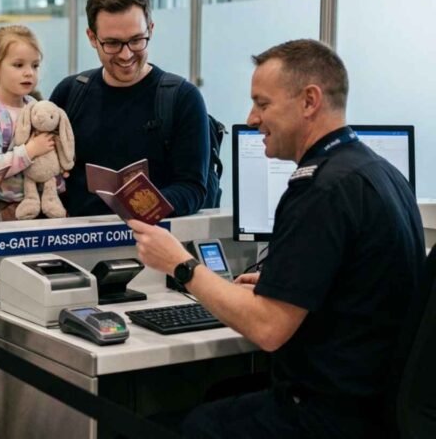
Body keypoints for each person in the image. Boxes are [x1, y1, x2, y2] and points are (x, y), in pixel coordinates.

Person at [128, 39, 425, 438]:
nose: (252, 119)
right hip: (372, 404)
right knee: (220, 392)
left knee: (177, 424)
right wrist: (277, 284)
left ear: (309, 101)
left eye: (263, 104)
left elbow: (268, 330)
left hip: (325, 416)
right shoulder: (378, 172)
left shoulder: (320, 191)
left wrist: (181, 265)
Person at [49, 0, 210, 217]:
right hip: (75, 244)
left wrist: (138, 206)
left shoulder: (181, 98)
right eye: (112, 43)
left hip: (151, 244)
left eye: (136, 40)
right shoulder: (70, 93)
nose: (126, 55)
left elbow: (193, 188)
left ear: (151, 29)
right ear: (92, 38)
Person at [0, 26, 56, 220]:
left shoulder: (35, 107)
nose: (29, 73)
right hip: (9, 211)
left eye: (35, 65)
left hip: (45, 204)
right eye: (18, 65)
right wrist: (30, 150)